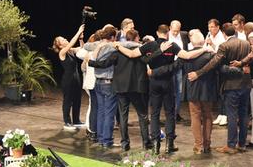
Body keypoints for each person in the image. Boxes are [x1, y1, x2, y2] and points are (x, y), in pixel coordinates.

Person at [116, 24, 208, 154]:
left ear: (157, 32)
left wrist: (118, 46)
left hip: (153, 83)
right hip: (168, 82)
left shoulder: (149, 45)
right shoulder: (172, 45)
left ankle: (155, 145)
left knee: (154, 114)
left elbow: (131, 54)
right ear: (168, 32)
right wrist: (203, 50)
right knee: (170, 113)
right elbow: (187, 56)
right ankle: (169, 144)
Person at [188, 23, 253, 154]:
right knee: (243, 114)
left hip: (231, 85)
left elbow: (214, 63)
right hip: (246, 84)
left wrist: (198, 73)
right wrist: (242, 67)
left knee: (232, 115)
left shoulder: (225, 45)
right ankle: (242, 144)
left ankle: (231, 145)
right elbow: (251, 58)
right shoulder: (246, 44)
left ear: (223, 33)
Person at [156, 30, 218, 154]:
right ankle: (207, 145)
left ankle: (198, 146)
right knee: (207, 116)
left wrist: (156, 72)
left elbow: (173, 68)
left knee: (195, 116)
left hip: (193, 89)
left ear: (190, 42)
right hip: (208, 89)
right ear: (203, 41)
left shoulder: (185, 55)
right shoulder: (211, 54)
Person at [91, 29, 151, 151]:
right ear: (136, 38)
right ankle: (146, 142)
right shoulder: (140, 51)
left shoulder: (117, 51)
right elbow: (149, 62)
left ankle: (125, 143)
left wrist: (90, 62)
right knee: (142, 114)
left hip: (121, 88)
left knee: (123, 116)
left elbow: (105, 64)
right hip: (136, 88)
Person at [52, 24, 85, 130]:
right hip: (68, 80)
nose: (65, 39)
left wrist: (81, 39)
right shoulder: (62, 52)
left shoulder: (71, 50)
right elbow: (71, 43)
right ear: (60, 45)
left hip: (76, 78)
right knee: (68, 100)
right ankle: (67, 121)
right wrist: (78, 31)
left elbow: (82, 48)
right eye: (63, 40)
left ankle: (76, 120)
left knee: (77, 100)